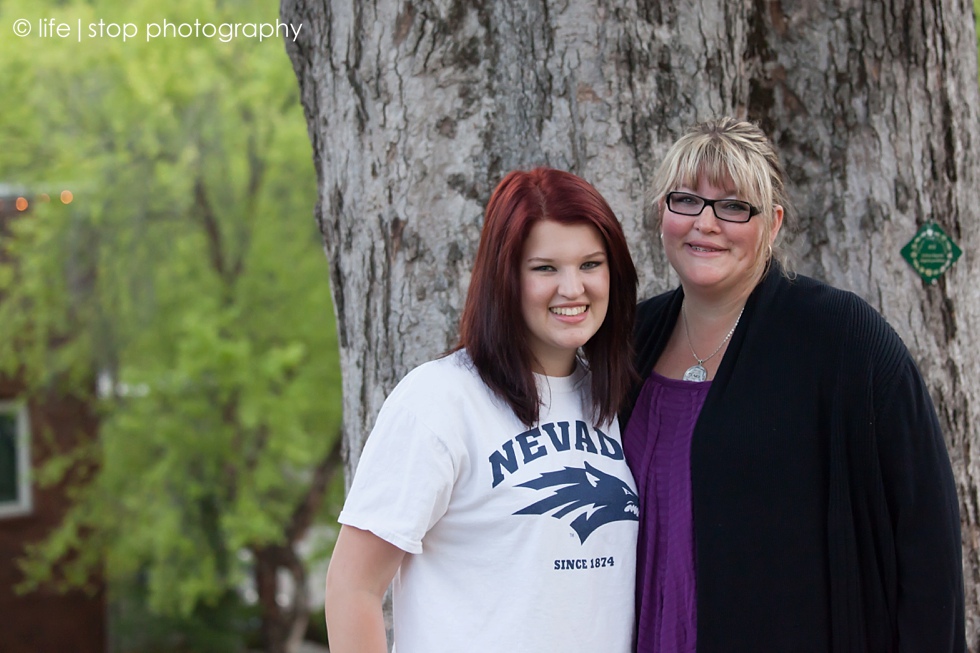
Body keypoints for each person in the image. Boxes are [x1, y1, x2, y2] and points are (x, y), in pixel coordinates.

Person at [622, 117, 965, 652]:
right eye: (685, 200)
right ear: (662, 213)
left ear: (773, 222)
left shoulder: (842, 338)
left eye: (735, 206)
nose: (705, 223)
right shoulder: (628, 341)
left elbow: (927, 537)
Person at [324, 167, 640, 653]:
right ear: (505, 276)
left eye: (591, 264)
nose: (573, 288)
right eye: (545, 268)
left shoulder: (614, 402)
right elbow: (353, 589)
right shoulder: (440, 400)